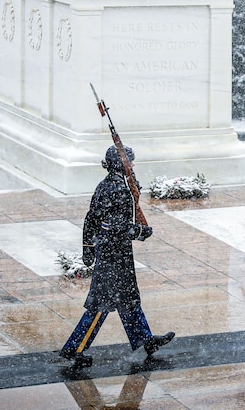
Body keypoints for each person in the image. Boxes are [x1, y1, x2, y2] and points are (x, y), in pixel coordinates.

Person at [59, 145, 175, 367]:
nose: (133, 164)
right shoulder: (119, 189)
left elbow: (90, 218)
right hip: (113, 255)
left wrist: (88, 247)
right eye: (130, 161)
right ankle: (75, 348)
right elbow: (115, 225)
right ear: (123, 164)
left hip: (113, 253)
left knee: (128, 299)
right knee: (100, 306)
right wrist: (140, 231)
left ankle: (146, 340)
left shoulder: (109, 185)